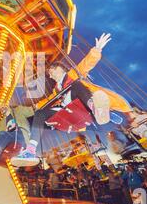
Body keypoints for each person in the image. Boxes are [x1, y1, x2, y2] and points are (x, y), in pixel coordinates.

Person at [11, 33, 132, 167]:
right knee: (40, 113)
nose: (50, 75)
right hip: (68, 114)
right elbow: (44, 103)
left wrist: (96, 50)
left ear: (61, 69)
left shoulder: (72, 75)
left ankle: (96, 108)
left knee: (76, 84)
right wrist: (28, 108)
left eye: (52, 70)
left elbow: (87, 64)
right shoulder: (57, 90)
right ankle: (30, 150)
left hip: (83, 107)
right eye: (49, 73)